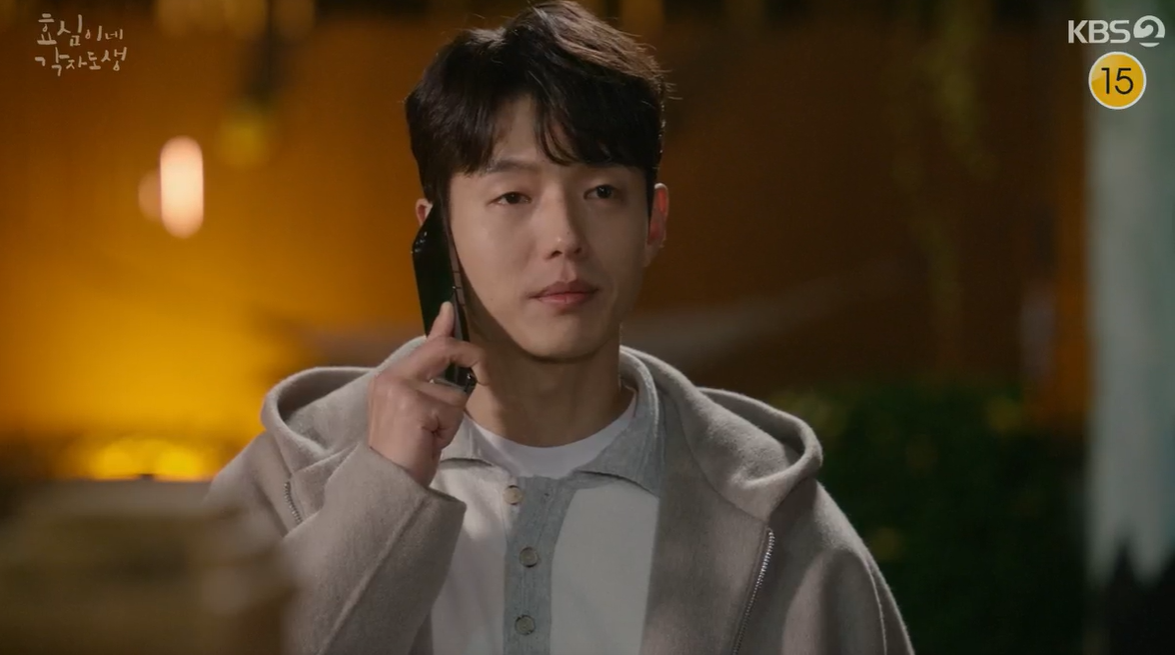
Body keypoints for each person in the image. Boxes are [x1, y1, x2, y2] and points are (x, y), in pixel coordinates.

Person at [205, 2, 913, 654]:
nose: (565, 237)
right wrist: (382, 492)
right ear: (438, 232)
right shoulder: (288, 478)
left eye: (601, 192)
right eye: (513, 196)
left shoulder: (781, 528)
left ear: (654, 221)